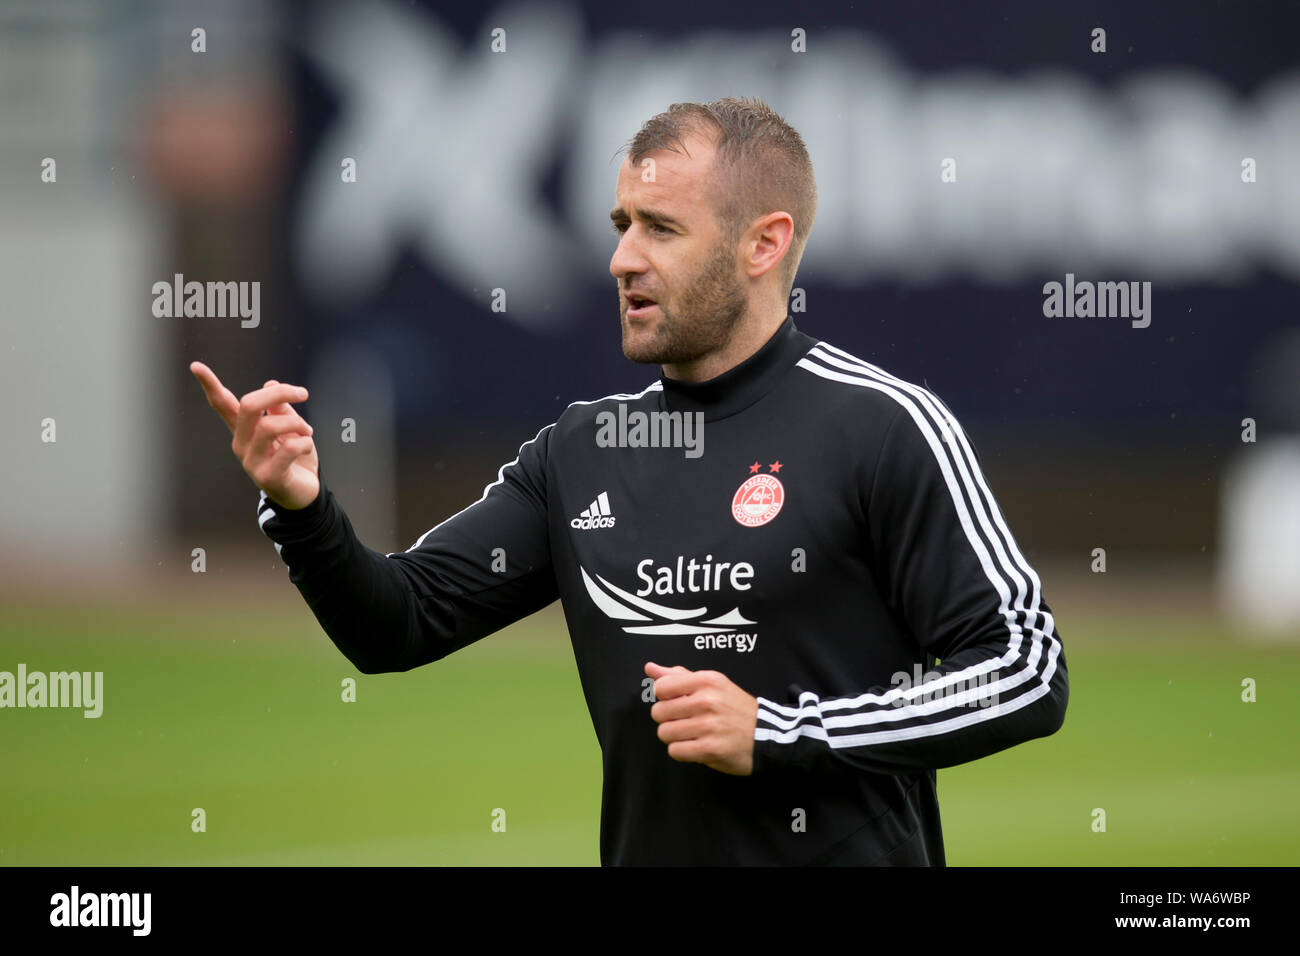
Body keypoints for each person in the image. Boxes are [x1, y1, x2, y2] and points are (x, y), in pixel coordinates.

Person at [191, 96, 1068, 865]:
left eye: (662, 228)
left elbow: (1027, 671)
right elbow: (396, 624)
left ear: (764, 244)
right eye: (621, 226)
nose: (623, 260)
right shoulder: (583, 450)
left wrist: (783, 733)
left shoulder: (884, 428)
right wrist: (300, 503)